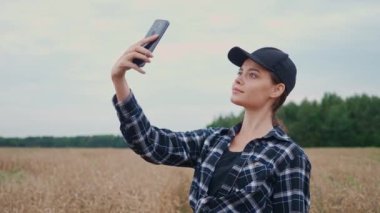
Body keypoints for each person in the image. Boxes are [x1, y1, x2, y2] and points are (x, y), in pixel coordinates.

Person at [111, 34, 311, 212]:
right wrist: (119, 79)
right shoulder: (212, 140)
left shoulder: (289, 156)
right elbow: (151, 144)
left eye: (253, 75)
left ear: (276, 90)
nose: (239, 79)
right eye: (240, 72)